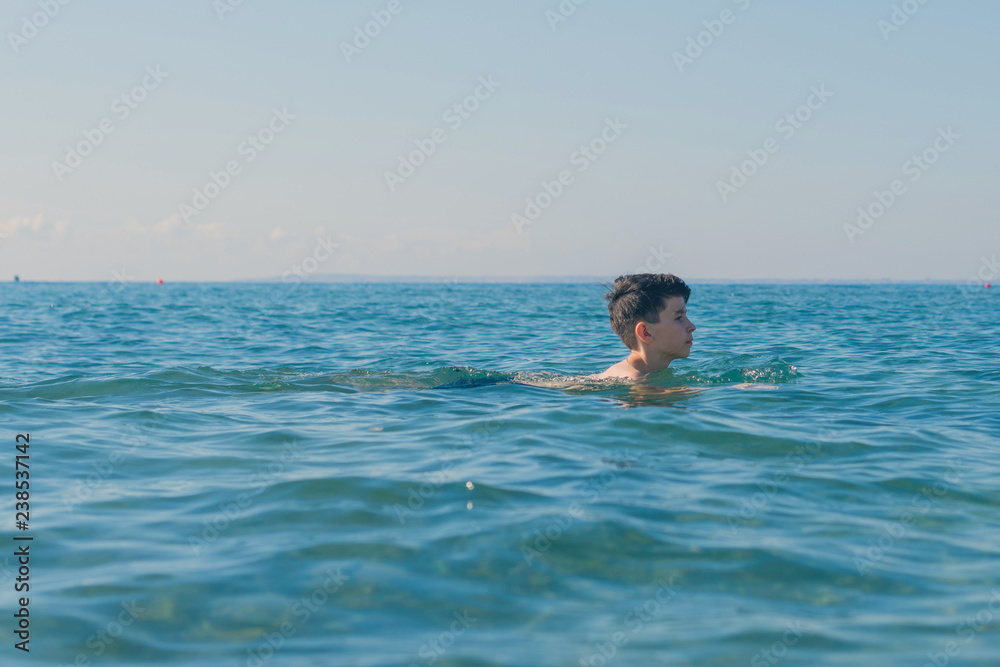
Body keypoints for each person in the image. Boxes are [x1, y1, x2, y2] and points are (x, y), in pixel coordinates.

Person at [590, 273, 696, 381]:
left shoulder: (644, 375)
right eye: (678, 317)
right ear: (646, 332)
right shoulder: (635, 380)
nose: (692, 327)